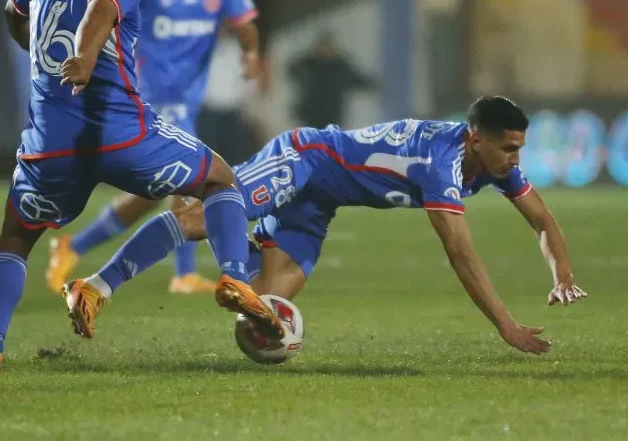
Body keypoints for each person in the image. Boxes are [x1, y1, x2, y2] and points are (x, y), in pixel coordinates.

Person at [0, 0, 282, 372]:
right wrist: (85, 57)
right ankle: (235, 275)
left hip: (49, 145)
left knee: (16, 240)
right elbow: (102, 7)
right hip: (121, 134)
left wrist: (37, 48)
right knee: (219, 179)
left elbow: (12, 11)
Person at [65, 96, 586, 355]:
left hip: (322, 203)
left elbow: (543, 220)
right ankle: (94, 287)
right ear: (476, 140)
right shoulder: (441, 165)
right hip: (307, 158)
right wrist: (505, 326)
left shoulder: (493, 167)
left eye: (519, 149)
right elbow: (461, 254)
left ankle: (241, 263)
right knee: (201, 217)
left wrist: (561, 274)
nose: (515, 159)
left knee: (265, 312)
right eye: (510, 148)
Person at [46, 0, 260, 296]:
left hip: (188, 99)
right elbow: (103, 12)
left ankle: (75, 245)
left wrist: (250, 52)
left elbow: (244, 21)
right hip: (147, 95)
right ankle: (183, 273)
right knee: (192, 180)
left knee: (153, 194)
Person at [288, 31, 376, 129]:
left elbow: (356, 80)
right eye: (323, 46)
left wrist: (373, 85)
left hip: (332, 116)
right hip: (310, 115)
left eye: (329, 47)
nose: (326, 50)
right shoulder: (307, 64)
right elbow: (292, 70)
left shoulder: (341, 66)